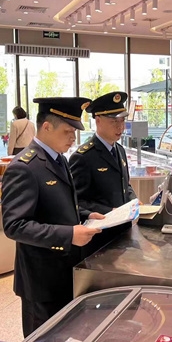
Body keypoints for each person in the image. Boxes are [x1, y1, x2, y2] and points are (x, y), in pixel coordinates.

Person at [1, 97, 106, 337]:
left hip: (64, 273)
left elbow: (58, 205)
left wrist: (87, 215)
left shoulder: (60, 159)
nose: (73, 138)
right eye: (68, 131)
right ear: (47, 127)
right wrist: (69, 235)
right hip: (41, 280)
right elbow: (14, 225)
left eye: (74, 132)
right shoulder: (24, 167)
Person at [69, 91, 137, 255]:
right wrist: (108, 211)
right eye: (114, 121)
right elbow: (76, 201)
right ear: (98, 120)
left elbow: (124, 184)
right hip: (99, 239)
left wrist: (134, 200)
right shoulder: (84, 157)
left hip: (123, 232)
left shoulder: (119, 150)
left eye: (122, 121)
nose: (120, 127)